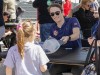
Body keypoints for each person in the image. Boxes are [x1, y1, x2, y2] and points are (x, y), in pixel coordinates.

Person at [48, 3, 82, 75]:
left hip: (76, 57)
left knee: (77, 72)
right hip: (62, 58)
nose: (55, 16)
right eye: (52, 14)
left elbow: (77, 34)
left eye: (57, 13)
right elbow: (52, 42)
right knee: (52, 71)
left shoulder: (72, 20)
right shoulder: (52, 27)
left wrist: (68, 37)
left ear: (62, 12)